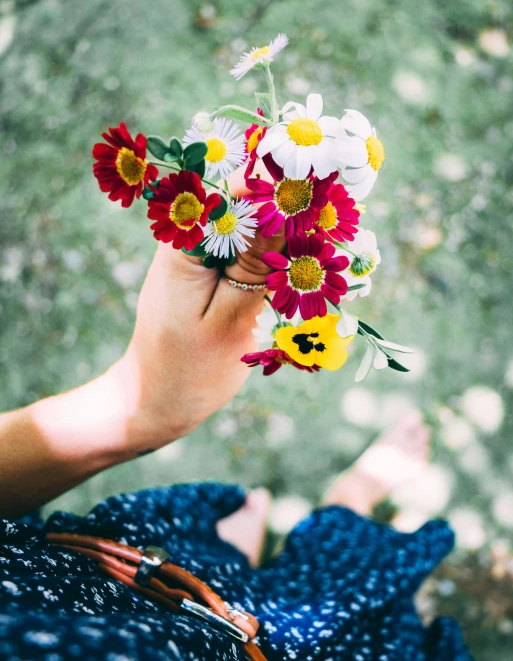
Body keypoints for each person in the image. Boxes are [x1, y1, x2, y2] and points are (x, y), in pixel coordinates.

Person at [0, 166, 472, 660]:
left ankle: (223, 562)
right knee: (336, 611)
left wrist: (136, 407)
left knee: (194, 558)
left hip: (112, 580)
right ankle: (345, 505)